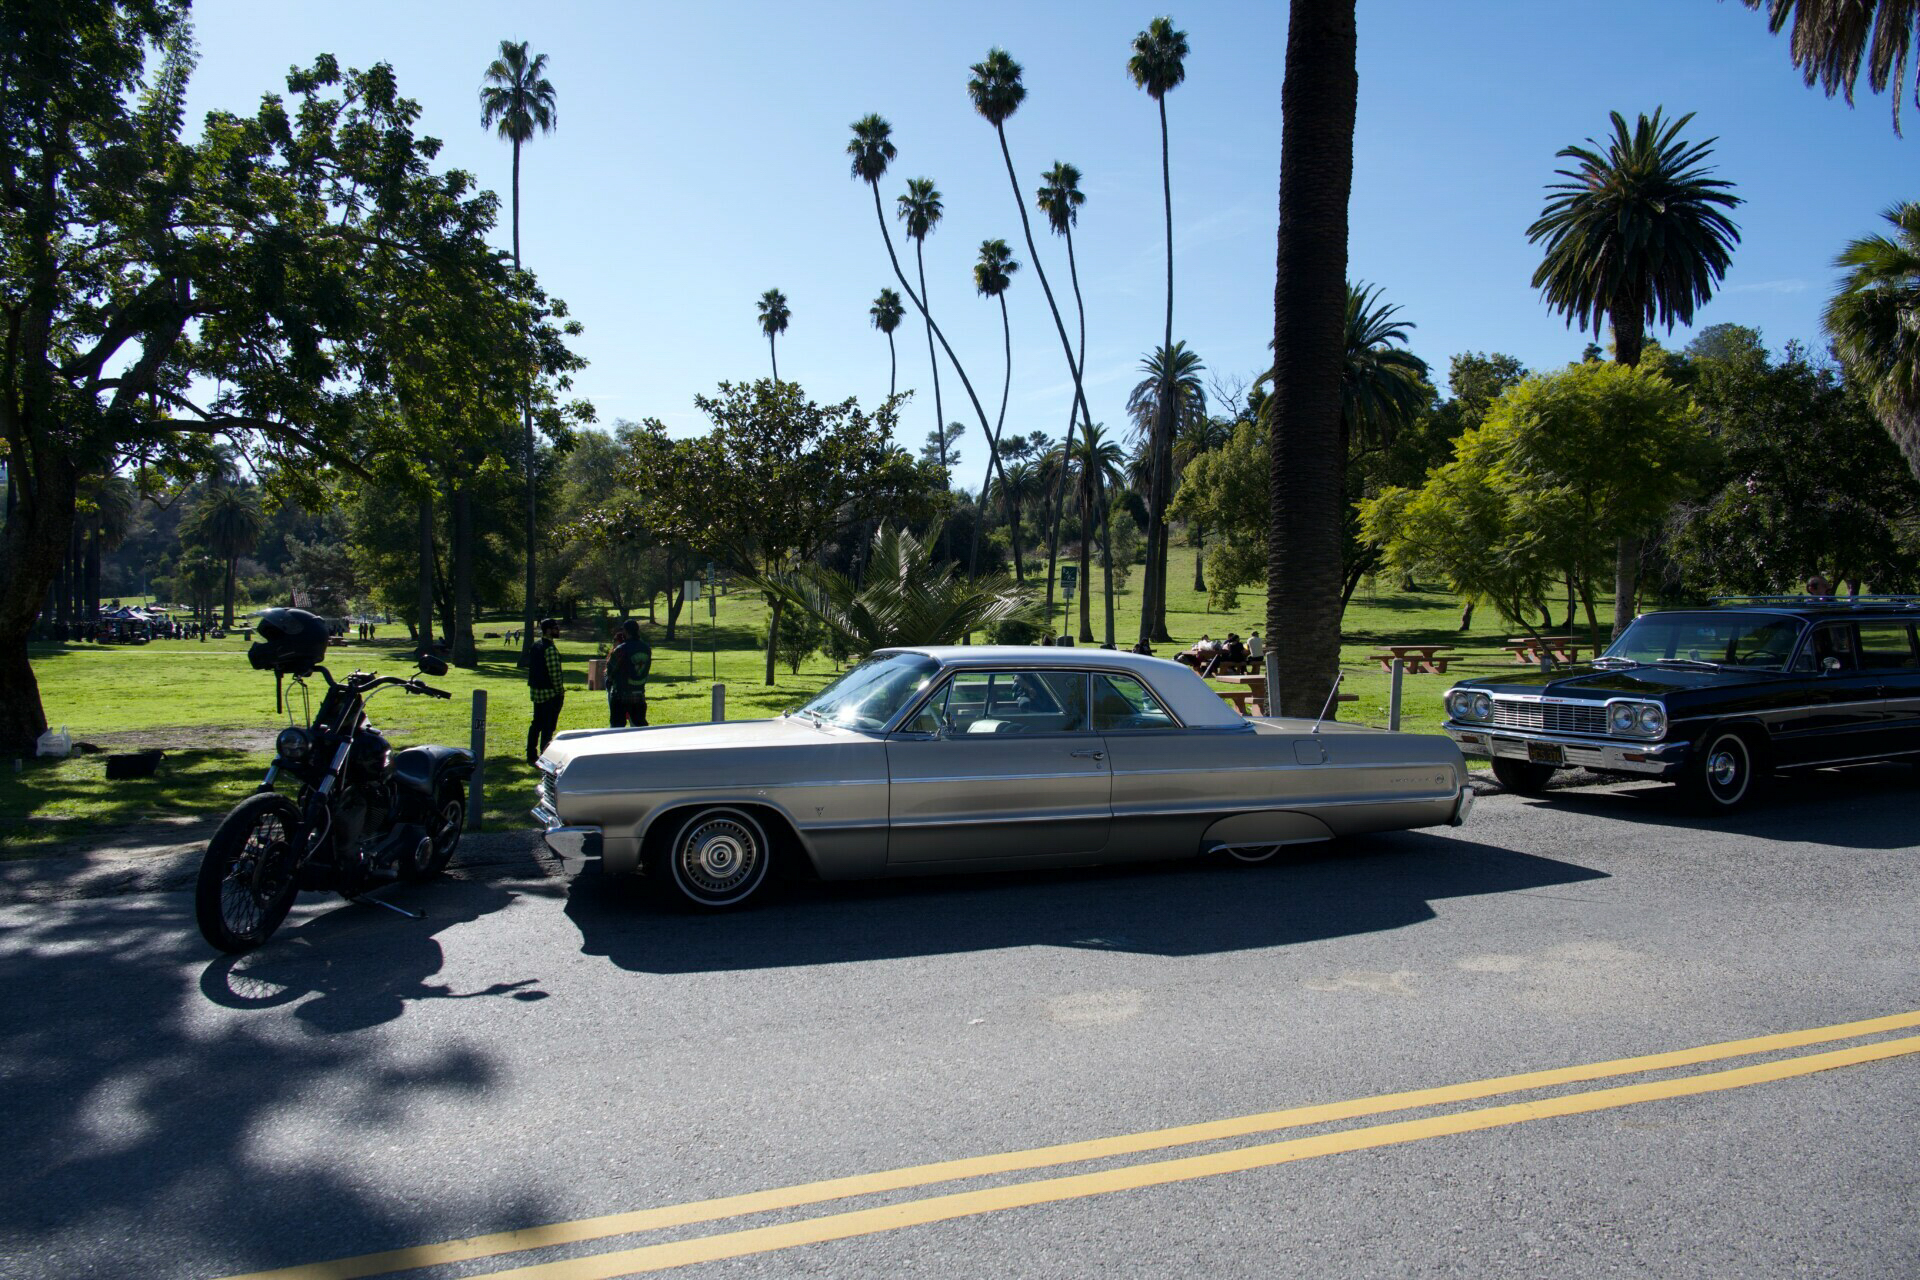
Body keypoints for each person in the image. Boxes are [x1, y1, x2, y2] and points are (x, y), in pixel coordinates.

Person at [526, 618, 565, 764]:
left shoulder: (535, 646)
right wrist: (560, 691)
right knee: (548, 727)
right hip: (550, 693)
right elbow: (554, 674)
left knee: (536, 724)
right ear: (548, 630)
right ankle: (545, 755)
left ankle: (531, 754)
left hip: (536, 692)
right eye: (555, 628)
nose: (558, 630)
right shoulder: (549, 648)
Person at [606, 619, 652, 728]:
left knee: (617, 728)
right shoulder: (647, 649)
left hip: (620, 696)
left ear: (625, 632)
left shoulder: (620, 649)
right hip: (639, 695)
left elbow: (610, 671)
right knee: (640, 728)